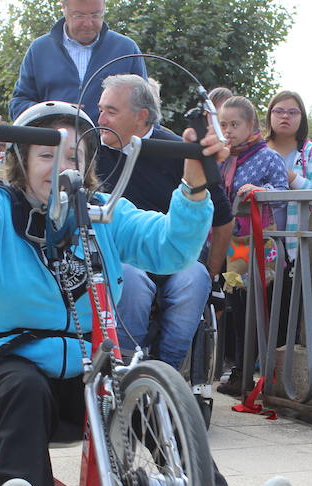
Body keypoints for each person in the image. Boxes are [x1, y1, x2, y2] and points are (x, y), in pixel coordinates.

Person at [0, 99, 292, 486]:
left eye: (74, 157)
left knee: (140, 390)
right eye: (46, 155)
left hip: (84, 378)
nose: (62, 167)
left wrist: (193, 183)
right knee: (23, 384)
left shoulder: (103, 215)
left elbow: (172, 249)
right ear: (19, 163)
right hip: (0, 371)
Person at [95, 74, 233, 369]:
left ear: (141, 116)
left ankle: (168, 369)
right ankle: (123, 364)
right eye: (100, 109)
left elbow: (222, 217)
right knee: (129, 278)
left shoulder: (177, 151)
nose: (100, 118)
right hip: (117, 255)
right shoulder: (88, 149)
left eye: (111, 111)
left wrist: (214, 273)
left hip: (172, 250)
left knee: (196, 280)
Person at [216, 96, 288, 396]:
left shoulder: (268, 157)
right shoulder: (222, 156)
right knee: (228, 306)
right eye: (223, 125)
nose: (229, 131)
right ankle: (227, 366)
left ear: (252, 126)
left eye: (235, 124)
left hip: (250, 243)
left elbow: (282, 193)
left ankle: (245, 372)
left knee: (249, 308)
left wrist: (261, 191)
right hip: (220, 241)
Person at [8, 0, 147, 123]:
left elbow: (145, 107)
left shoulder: (126, 49)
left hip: (112, 148)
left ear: (104, 8)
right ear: (63, 6)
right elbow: (18, 104)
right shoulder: (39, 49)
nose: (88, 23)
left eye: (95, 15)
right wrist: (54, 113)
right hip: (54, 147)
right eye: (79, 15)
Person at [265, 90, 312, 259]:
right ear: (270, 114)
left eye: (292, 112)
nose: (285, 116)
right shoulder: (256, 151)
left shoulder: (311, 154)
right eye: (279, 111)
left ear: (302, 118)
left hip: (297, 251)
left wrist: (292, 178)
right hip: (255, 245)